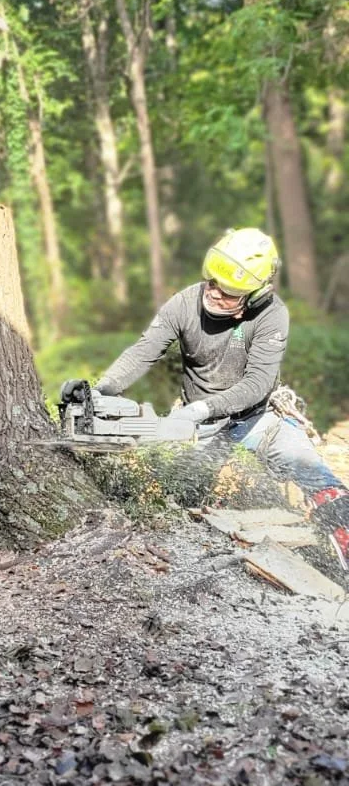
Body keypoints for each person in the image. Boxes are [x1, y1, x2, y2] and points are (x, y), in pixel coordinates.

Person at [61, 228, 349, 568]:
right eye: (212, 283)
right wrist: (100, 390)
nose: (214, 294)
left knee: (312, 471)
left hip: (258, 420)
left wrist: (202, 407)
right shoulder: (185, 303)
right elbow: (143, 352)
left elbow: (258, 382)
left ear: (254, 296)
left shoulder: (271, 314)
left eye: (227, 293)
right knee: (180, 497)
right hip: (200, 429)